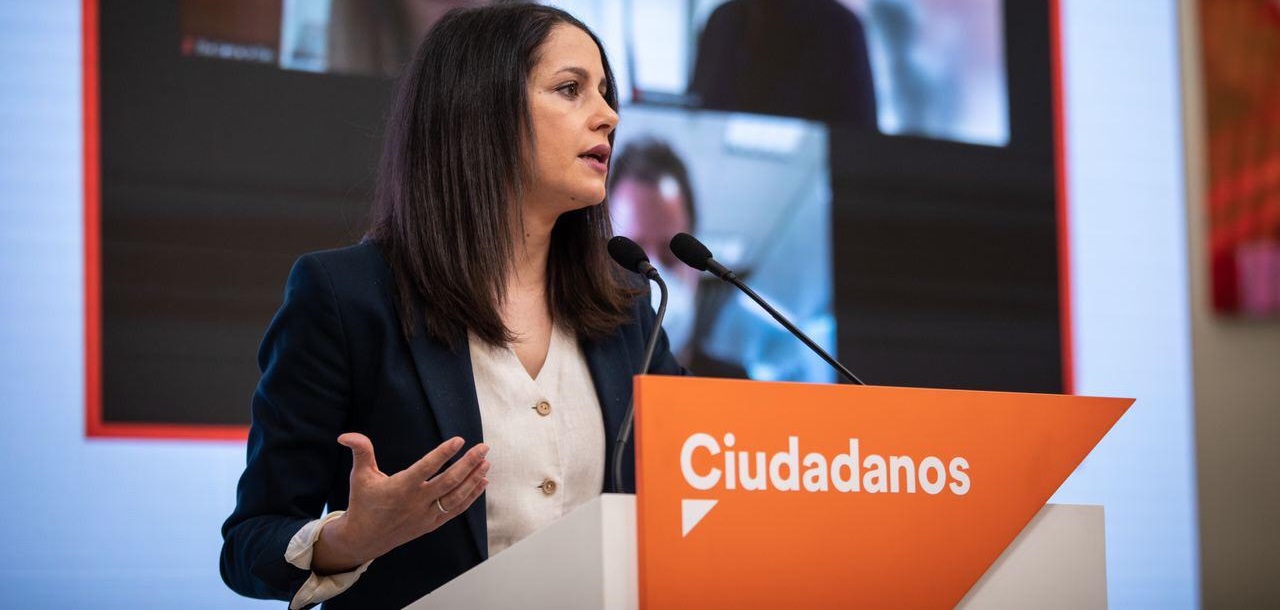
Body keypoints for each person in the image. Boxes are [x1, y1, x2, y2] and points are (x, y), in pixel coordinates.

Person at [219, 5, 683, 609]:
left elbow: (691, 485)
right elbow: (249, 546)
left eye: (605, 92)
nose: (608, 116)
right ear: (480, 109)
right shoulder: (345, 297)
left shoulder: (628, 304)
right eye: (571, 89)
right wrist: (351, 538)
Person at [608, 137, 749, 379]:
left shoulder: (734, 386)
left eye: (671, 253)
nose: (653, 274)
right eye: (635, 253)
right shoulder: (585, 380)